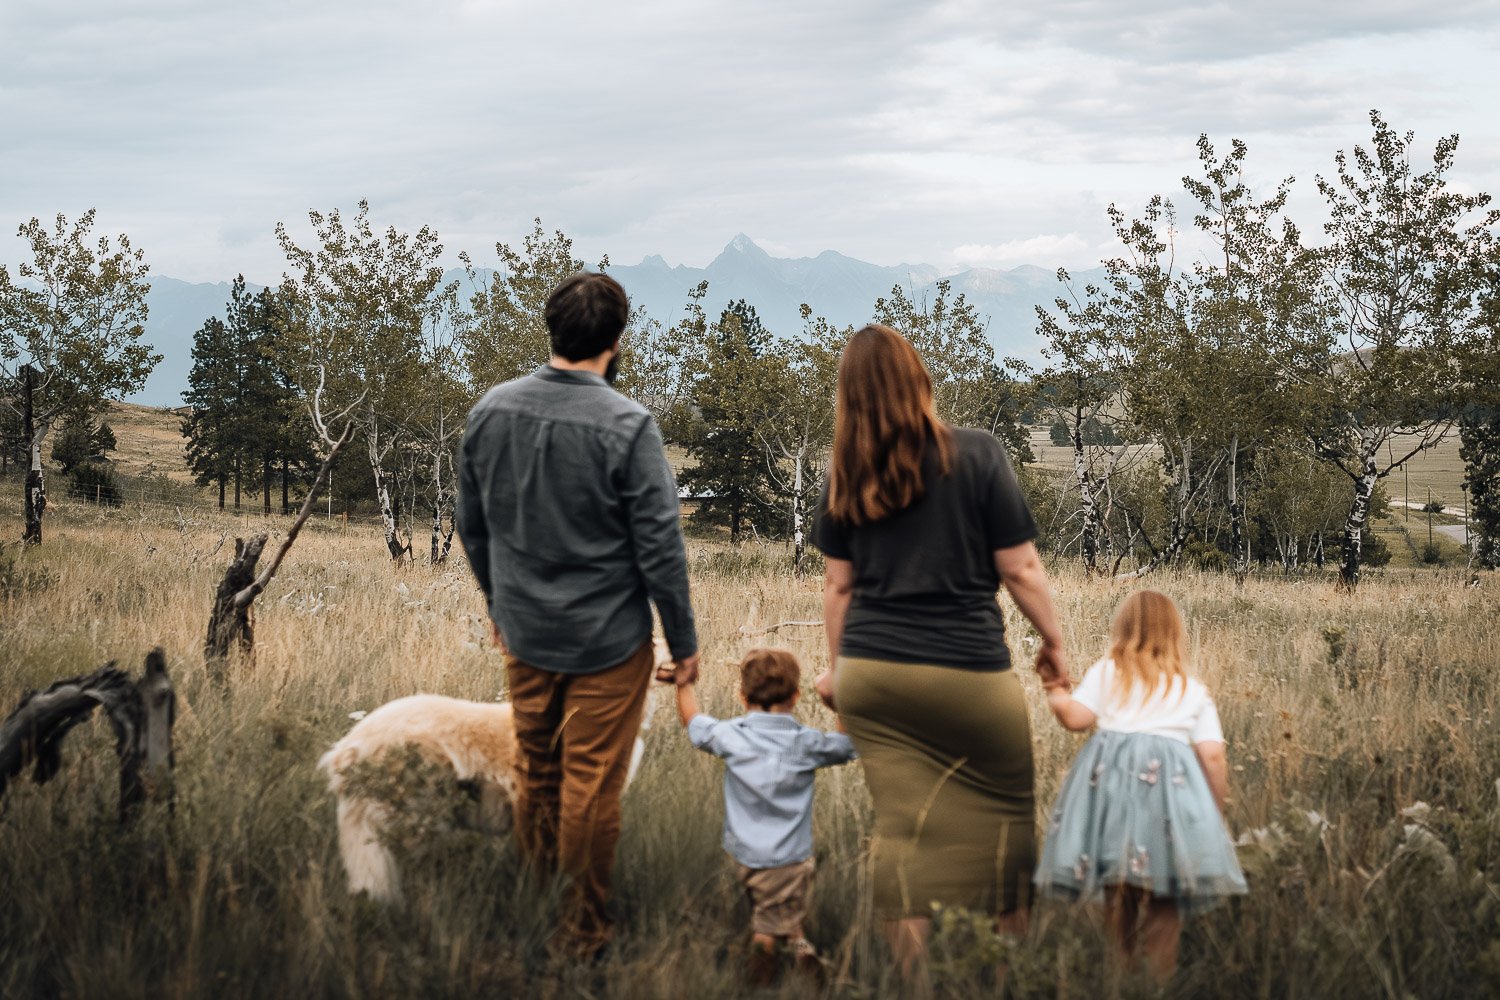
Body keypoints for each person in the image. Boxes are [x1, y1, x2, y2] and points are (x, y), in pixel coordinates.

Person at [810, 323, 1069, 983]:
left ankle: (914, 983)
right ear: (919, 380)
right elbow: (1021, 568)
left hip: (873, 675)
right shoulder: (977, 453)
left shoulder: (845, 471)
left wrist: (839, 675)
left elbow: (838, 588)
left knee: (902, 828)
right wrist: (1053, 640)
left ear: (849, 396)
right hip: (968, 670)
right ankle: (1005, 975)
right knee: (1005, 824)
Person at [457, 271, 700, 958]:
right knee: (589, 786)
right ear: (617, 340)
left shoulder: (492, 410)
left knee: (537, 771)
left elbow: (472, 525)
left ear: (552, 330)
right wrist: (683, 643)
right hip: (608, 644)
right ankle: (582, 931)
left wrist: (497, 602)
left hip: (525, 634)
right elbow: (661, 550)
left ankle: (536, 906)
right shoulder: (628, 426)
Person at [1035, 590, 1247, 982]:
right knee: (1166, 902)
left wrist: (1054, 688)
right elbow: (1214, 756)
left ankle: (1121, 975)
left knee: (1120, 895)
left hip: (1113, 807)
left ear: (1122, 628)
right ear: (1176, 633)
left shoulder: (1108, 673)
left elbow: (1076, 719)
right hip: (1170, 810)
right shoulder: (1191, 689)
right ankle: (1157, 984)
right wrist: (1212, 814)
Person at [675, 648, 856, 986]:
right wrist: (838, 703)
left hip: (743, 855)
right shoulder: (806, 743)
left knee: (781, 920)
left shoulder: (731, 735)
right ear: (796, 696)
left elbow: (693, 723)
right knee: (771, 925)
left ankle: (792, 964)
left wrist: (682, 683)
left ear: (742, 696)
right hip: (788, 858)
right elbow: (846, 746)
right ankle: (781, 972)